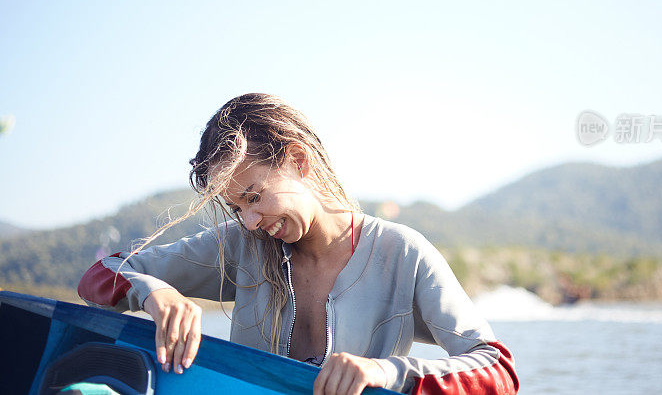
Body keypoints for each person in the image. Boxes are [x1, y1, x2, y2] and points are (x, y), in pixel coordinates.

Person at [78, 93, 519, 395]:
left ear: (299, 161)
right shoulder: (240, 246)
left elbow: (497, 370)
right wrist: (157, 294)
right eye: (237, 209)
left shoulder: (401, 253)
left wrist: (383, 371)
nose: (250, 221)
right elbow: (99, 276)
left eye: (254, 197)